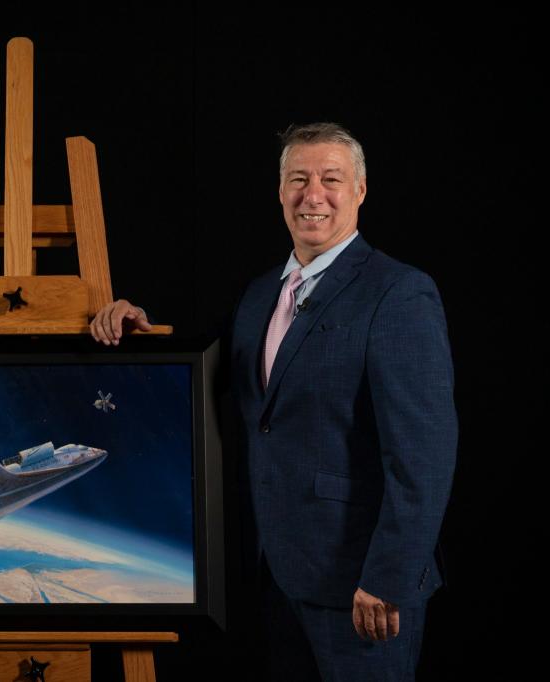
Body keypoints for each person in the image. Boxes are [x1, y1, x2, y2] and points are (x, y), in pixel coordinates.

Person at [90, 122, 457, 680]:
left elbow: (423, 459)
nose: (313, 195)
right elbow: (218, 377)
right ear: (280, 191)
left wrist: (388, 577)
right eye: (298, 179)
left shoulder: (398, 293)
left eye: (331, 179)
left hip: (365, 588)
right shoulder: (262, 293)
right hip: (279, 577)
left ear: (360, 190)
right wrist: (137, 326)